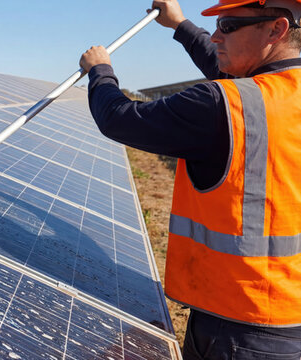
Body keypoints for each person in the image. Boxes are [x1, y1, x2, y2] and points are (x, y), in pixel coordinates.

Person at [79, 0, 301, 358]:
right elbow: (226, 68)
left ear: (276, 29)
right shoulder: (276, 95)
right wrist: (180, 25)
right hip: (289, 315)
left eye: (227, 26)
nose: (215, 37)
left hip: (239, 327)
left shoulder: (222, 104)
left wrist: (100, 71)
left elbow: (120, 118)